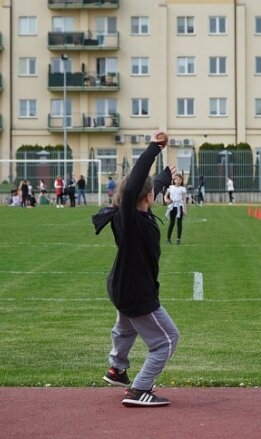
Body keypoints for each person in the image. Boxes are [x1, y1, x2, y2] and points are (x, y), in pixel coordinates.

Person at [91, 131, 180, 407]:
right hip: (136, 292)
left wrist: (164, 175)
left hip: (122, 288)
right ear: (147, 197)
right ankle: (139, 389)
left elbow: (143, 187)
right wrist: (154, 148)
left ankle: (116, 368)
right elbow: (134, 188)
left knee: (126, 328)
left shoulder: (136, 214)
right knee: (167, 341)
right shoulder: (130, 220)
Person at [164, 173, 187, 244]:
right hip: (172, 207)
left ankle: (178, 239)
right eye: (177, 180)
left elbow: (184, 200)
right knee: (172, 223)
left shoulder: (183, 189)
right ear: (174, 180)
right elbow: (165, 196)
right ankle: (168, 239)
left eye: (180, 180)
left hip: (179, 207)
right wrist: (166, 200)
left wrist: (184, 209)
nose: (178, 181)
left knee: (179, 224)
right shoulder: (171, 187)